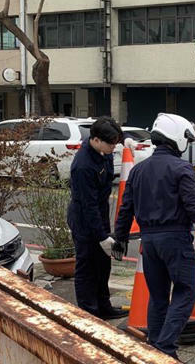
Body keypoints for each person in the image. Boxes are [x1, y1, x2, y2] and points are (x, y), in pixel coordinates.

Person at [113, 113, 195, 359]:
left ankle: (153, 345)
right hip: (175, 239)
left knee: (158, 296)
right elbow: (194, 205)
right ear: (177, 138)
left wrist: (120, 237)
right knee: (185, 291)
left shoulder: (138, 170)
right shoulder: (181, 168)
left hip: (149, 243)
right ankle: (165, 348)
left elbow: (126, 208)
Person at [66, 117, 127, 320]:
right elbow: (87, 205)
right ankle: (89, 313)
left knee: (103, 264)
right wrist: (101, 236)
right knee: (87, 266)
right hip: (84, 220)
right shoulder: (83, 166)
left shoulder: (103, 151)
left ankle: (104, 305)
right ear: (96, 140)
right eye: (111, 144)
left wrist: (126, 143)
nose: (113, 147)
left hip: (99, 215)